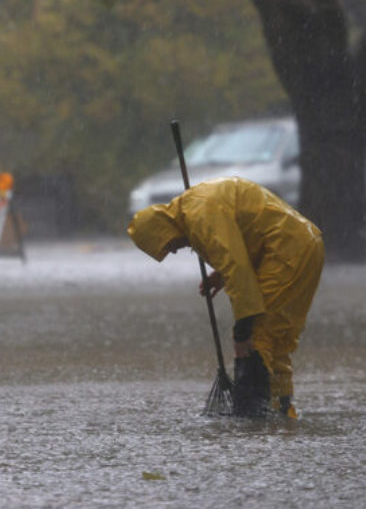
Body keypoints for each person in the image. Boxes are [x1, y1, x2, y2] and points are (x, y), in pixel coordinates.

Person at [128, 176, 324, 418]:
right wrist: (220, 276)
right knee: (276, 339)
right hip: (305, 242)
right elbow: (241, 243)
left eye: (169, 246)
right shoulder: (194, 210)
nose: (175, 250)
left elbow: (238, 270)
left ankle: (253, 414)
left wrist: (241, 332)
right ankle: (282, 412)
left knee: (257, 335)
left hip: (286, 249)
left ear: (163, 231)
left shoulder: (199, 215)